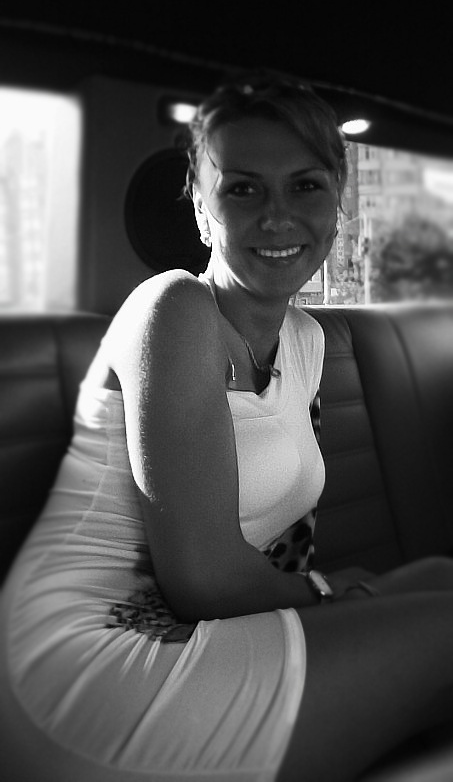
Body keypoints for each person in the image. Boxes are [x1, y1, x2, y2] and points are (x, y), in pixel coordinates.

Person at [1, 70, 453, 782]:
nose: (277, 217)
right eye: (243, 189)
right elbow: (205, 580)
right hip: (91, 658)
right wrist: (336, 593)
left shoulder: (306, 342)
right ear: (202, 211)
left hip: (210, 625)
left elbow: (279, 536)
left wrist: (347, 598)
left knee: (439, 575)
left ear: (337, 203)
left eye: (305, 186)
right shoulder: (174, 307)